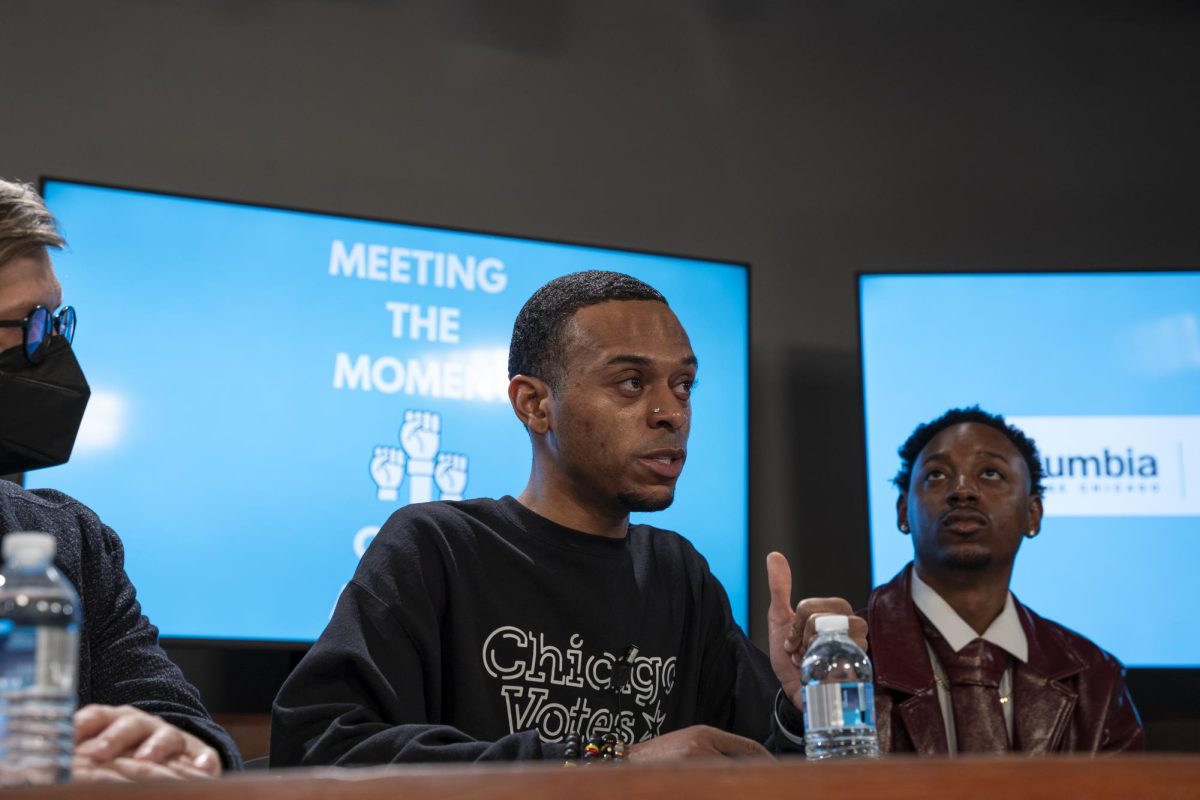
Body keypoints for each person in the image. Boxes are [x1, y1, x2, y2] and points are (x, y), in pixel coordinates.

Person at [271, 270, 815, 765]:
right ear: (534, 403)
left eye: (683, 386)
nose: (671, 413)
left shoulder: (678, 574)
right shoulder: (436, 548)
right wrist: (608, 766)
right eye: (631, 382)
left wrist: (795, 708)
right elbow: (319, 742)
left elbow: (759, 769)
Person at [0, 178, 240, 780]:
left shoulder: (68, 542)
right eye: (29, 326)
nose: (50, 351)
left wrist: (179, 750)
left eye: (56, 322)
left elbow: (180, 722)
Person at [786, 407, 1145, 754]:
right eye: (937, 475)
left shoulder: (1094, 678)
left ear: (1032, 515)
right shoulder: (842, 660)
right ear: (902, 512)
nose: (962, 490)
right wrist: (797, 716)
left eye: (990, 473)